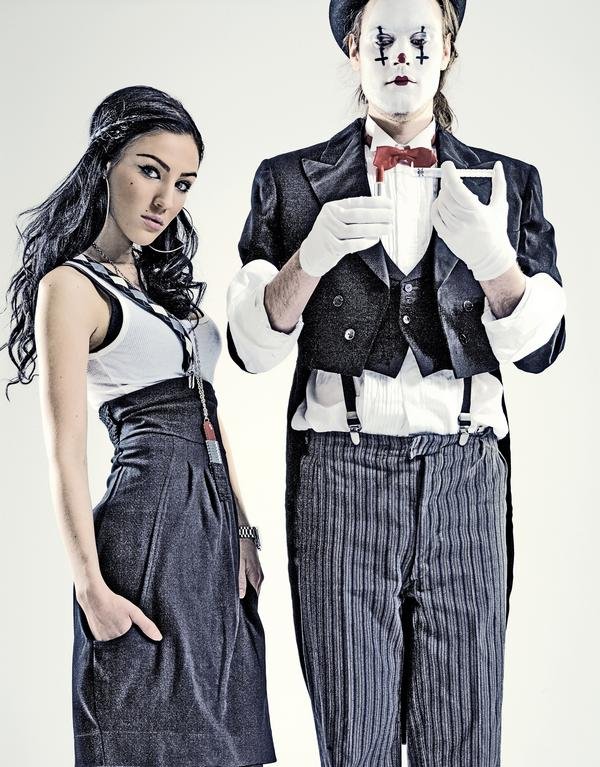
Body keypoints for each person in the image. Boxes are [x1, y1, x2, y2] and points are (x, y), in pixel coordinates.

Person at [226, 1, 566, 765]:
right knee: (357, 744)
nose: (402, 55)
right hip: (341, 481)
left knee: (465, 745)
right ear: (353, 48)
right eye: (383, 39)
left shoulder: (510, 182)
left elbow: (545, 347)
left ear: (448, 48)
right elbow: (248, 346)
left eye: (421, 38)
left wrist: (494, 259)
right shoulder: (289, 182)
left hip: (467, 479)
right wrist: (309, 257)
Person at [3, 85, 275, 767]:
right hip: (146, 532)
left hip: (211, 534)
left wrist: (243, 531)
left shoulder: (165, 289)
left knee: (226, 740)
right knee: (147, 738)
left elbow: (212, 415)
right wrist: (90, 587)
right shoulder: (70, 287)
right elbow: (65, 454)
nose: (165, 200)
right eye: (149, 171)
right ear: (105, 166)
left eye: (182, 183)